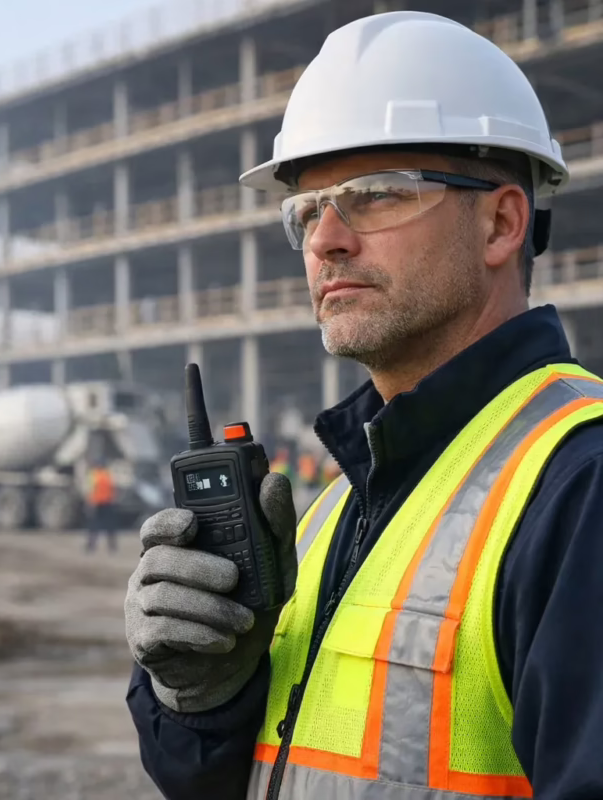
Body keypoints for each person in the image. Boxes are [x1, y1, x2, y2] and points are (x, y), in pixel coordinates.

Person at [124, 11, 603, 800]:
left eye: (375, 196)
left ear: (502, 222)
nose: (326, 240)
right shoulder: (333, 507)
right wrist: (202, 700)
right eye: (306, 211)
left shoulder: (578, 486)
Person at [86, 462, 117, 553]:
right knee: (109, 526)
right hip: (107, 503)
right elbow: (113, 489)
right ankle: (112, 547)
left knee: (94, 526)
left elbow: (91, 490)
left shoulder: (94, 475)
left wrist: (89, 503)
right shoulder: (107, 475)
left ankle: (91, 546)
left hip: (97, 503)